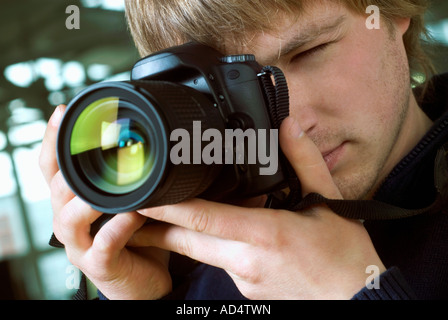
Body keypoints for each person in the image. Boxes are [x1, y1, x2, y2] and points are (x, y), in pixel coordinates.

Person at [39, 0, 448, 300]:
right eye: (236, 91)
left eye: (310, 52)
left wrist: (355, 292)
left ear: (394, 11)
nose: (292, 123)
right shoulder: (197, 255)